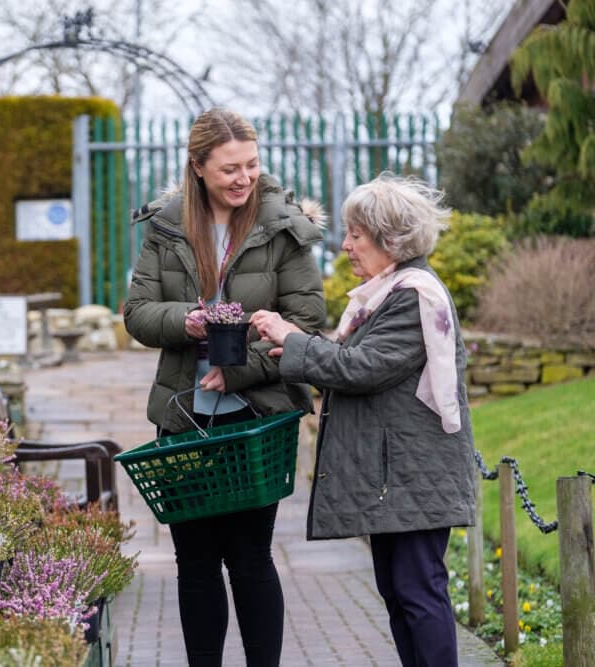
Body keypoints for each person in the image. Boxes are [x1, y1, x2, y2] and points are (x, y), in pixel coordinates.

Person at [123, 107, 326, 667]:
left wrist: (239, 368)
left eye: (252, 166)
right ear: (197, 168)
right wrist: (184, 321)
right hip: (183, 418)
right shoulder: (166, 227)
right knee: (194, 560)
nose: (243, 179)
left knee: (250, 558)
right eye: (229, 169)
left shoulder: (282, 228)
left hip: (255, 418)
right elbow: (137, 313)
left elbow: (306, 323)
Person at [251, 173, 477, 667]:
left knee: (418, 593)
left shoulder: (414, 295)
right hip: (397, 477)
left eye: (357, 234)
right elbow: (347, 360)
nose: (347, 245)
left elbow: (360, 368)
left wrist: (293, 338)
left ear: (390, 239)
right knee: (400, 595)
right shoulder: (386, 294)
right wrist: (286, 348)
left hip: (414, 477)